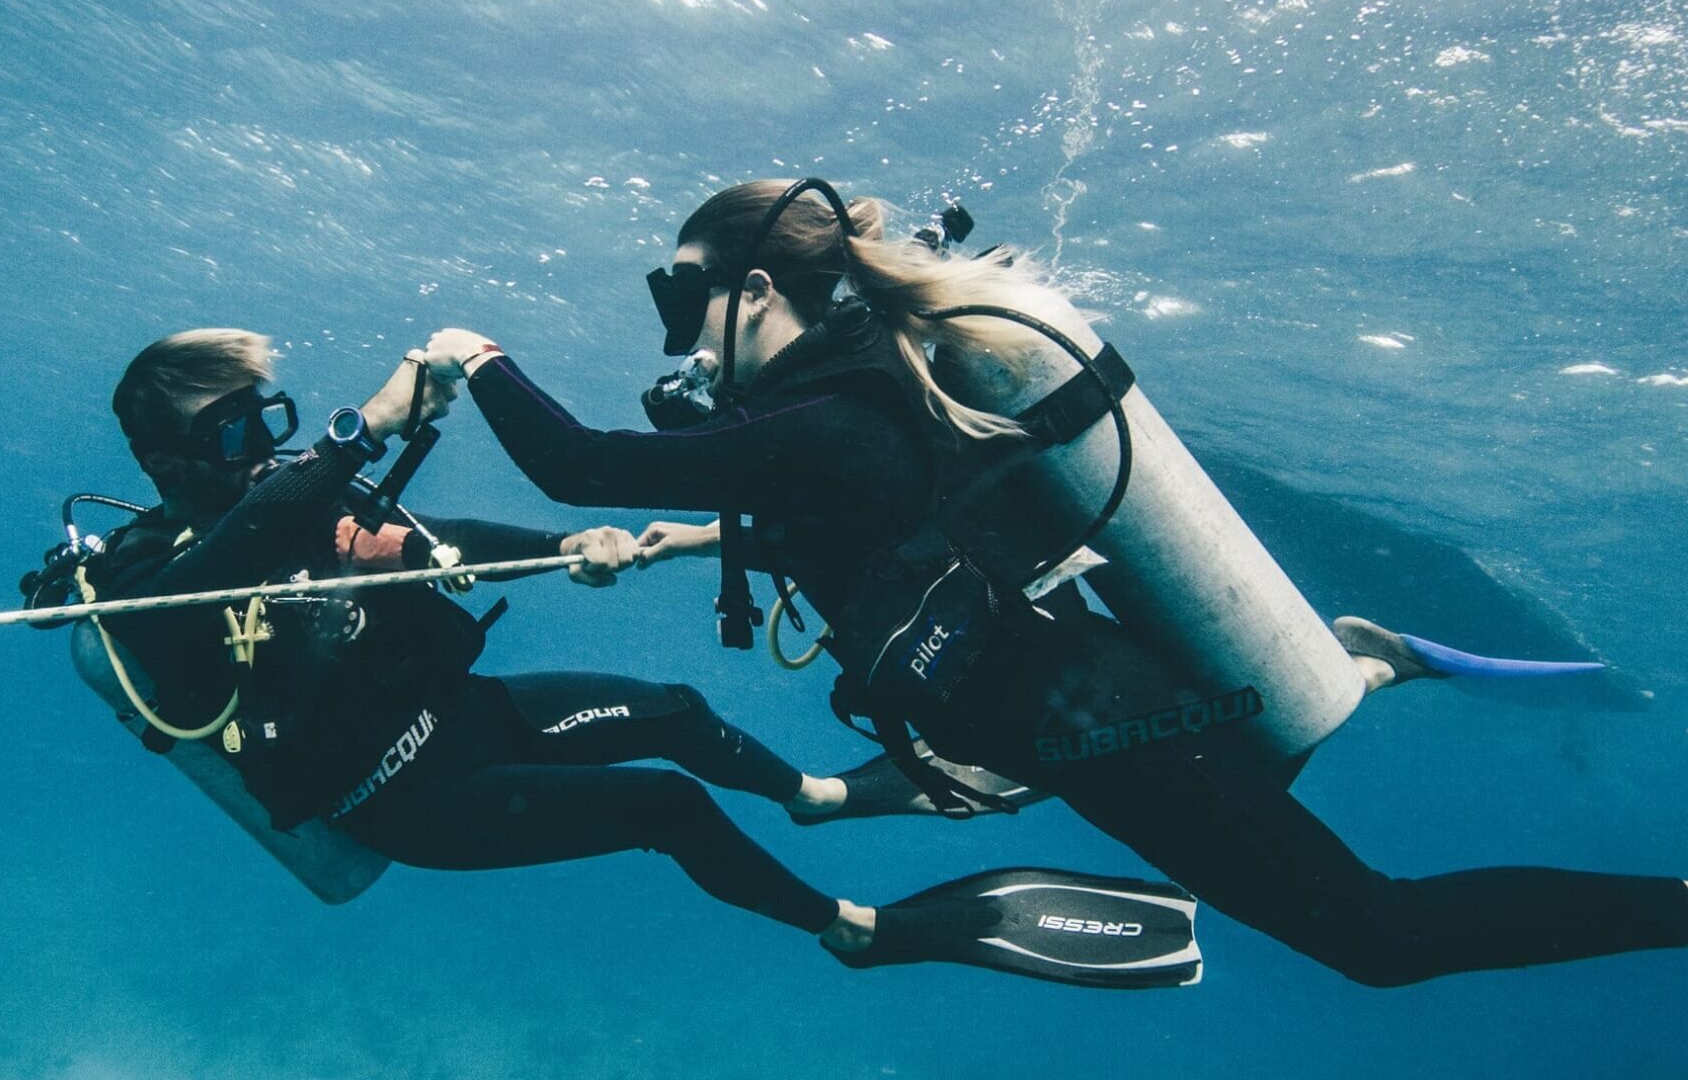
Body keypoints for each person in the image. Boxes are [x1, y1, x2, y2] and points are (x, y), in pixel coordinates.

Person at [416, 179, 1688, 989]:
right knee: (1313, 827)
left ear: (756, 291)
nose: (681, 330)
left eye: (684, 295)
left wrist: (470, 354)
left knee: (1376, 937)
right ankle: (1361, 656)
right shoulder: (839, 403)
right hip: (1064, 703)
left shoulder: (829, 412)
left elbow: (572, 463)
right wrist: (678, 538)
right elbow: (847, 533)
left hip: (1086, 712)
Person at [61, 327, 1007, 965]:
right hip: (402, 801)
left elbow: (439, 539)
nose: (265, 445)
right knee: (668, 806)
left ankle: (817, 796)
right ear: (165, 460)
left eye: (271, 417)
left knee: (676, 711)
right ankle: (853, 930)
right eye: (233, 431)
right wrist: (359, 433)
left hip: (470, 719)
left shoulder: (305, 497)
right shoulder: (141, 581)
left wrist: (563, 546)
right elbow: (206, 582)